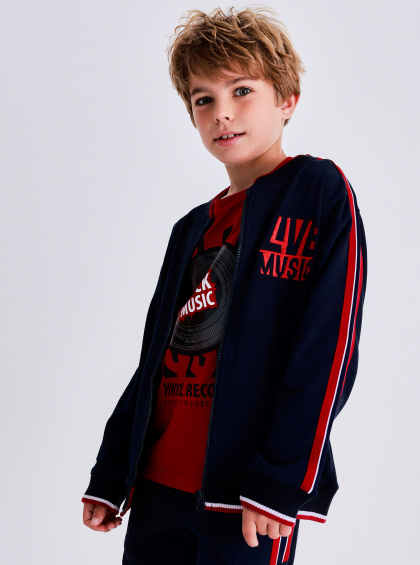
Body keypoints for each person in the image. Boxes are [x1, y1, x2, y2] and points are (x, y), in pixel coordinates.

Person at [82, 7, 367, 565]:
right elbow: (154, 359)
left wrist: (280, 480)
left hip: (244, 495)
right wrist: (113, 472)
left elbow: (328, 351)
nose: (223, 113)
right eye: (203, 99)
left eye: (242, 90)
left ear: (288, 100)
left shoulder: (317, 191)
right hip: (158, 489)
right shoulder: (189, 229)